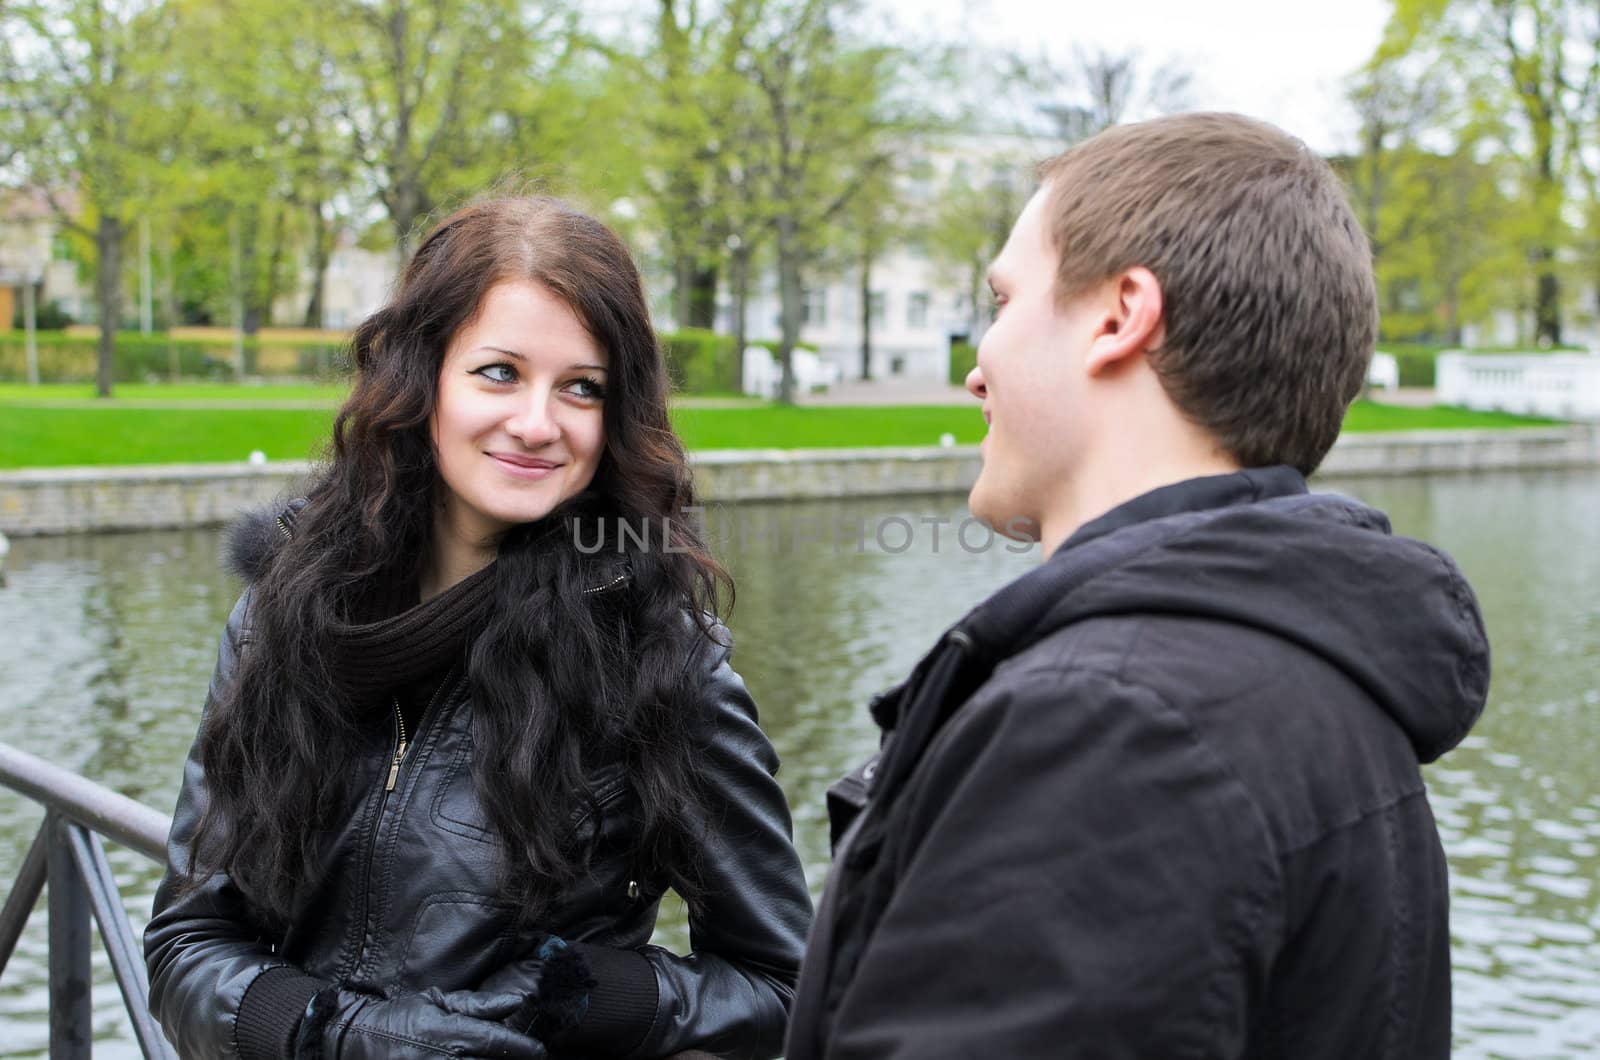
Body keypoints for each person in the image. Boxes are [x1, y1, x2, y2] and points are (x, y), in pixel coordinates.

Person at [785, 113, 1490, 1059]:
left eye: (1003, 300)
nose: (975, 367)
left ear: (1120, 317)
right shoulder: (1308, 672)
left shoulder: (1110, 722)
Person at [144, 196, 813, 1060]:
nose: (538, 424)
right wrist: (334, 1035)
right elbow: (185, 944)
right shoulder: (282, 616)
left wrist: (590, 999)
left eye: (582, 387)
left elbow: (787, 987)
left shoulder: (660, 660)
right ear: (422, 380)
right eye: (500, 371)